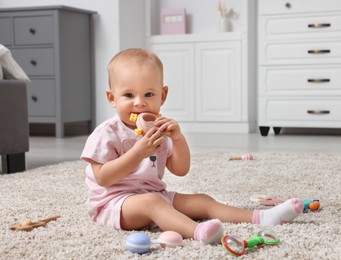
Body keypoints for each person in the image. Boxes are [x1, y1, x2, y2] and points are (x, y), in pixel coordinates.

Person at [81, 48, 303, 244]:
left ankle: (262, 217)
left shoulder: (158, 128)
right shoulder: (106, 133)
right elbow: (103, 178)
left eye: (149, 94)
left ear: (163, 95)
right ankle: (198, 232)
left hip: (154, 193)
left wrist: (177, 138)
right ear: (112, 97)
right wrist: (138, 153)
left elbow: (180, 169)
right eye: (128, 95)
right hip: (114, 205)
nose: (139, 102)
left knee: (201, 201)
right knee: (153, 202)